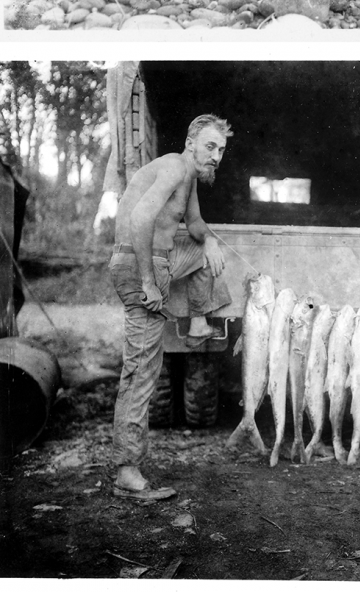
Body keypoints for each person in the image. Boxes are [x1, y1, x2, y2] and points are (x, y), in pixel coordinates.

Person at [110, 114, 233, 501]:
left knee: (202, 251)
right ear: (191, 142)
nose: (216, 156)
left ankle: (198, 324)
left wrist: (210, 242)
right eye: (210, 146)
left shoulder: (190, 177)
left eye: (222, 150)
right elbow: (140, 217)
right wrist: (148, 281)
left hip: (161, 259)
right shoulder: (176, 166)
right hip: (138, 262)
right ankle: (126, 472)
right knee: (142, 370)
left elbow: (194, 225)